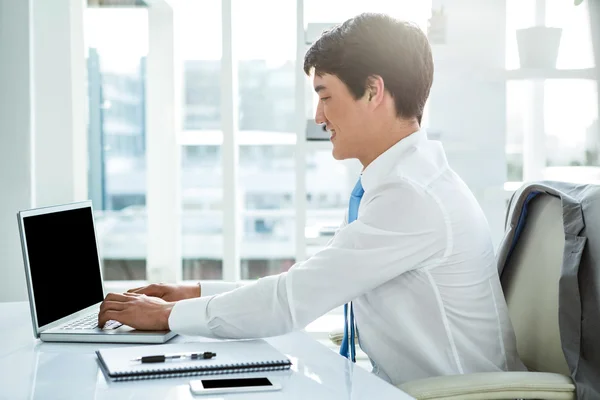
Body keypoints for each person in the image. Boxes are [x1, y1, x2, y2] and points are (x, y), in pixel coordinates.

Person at [98, 12, 524, 385]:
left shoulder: (411, 196)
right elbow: (310, 284)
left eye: (325, 96)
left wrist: (166, 316)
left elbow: (291, 300)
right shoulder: (404, 181)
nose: (318, 117)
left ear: (373, 91)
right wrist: (193, 292)